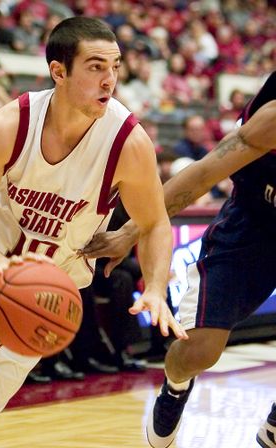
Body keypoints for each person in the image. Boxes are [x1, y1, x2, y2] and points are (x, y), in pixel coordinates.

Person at [0, 17, 186, 446]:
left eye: (115, 66)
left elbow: (154, 223)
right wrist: (4, 271)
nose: (110, 79)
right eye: (96, 67)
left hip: (50, 288)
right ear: (59, 72)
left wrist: (154, 286)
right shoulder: (12, 123)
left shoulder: (128, 142)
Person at [81, 71, 276, 448]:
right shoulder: (268, 125)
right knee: (200, 349)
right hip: (251, 225)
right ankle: (175, 387)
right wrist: (128, 232)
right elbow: (203, 174)